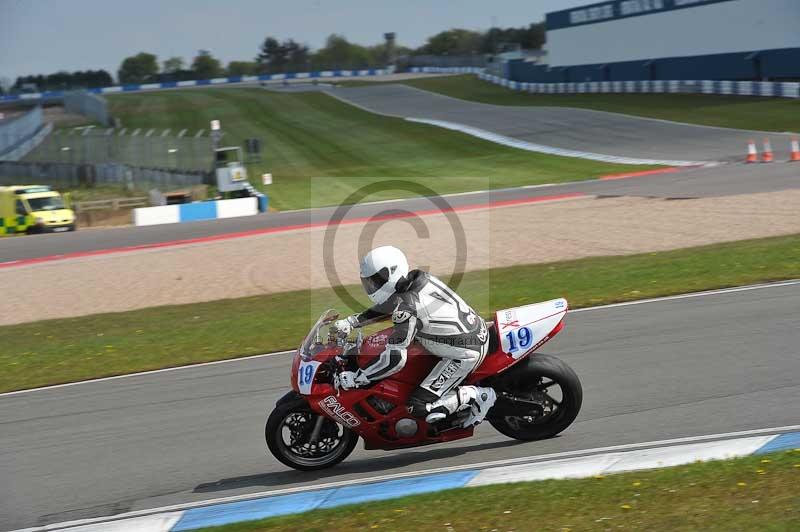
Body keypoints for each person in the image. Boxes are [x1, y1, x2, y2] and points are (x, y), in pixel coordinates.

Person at [333, 246, 496, 426]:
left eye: (377, 280)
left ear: (392, 273)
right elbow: (390, 304)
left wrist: (358, 377)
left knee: (416, 406)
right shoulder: (417, 279)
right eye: (370, 281)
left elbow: (394, 360)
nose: (373, 285)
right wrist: (352, 322)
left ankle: (478, 395)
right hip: (471, 331)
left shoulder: (407, 309)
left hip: (465, 352)